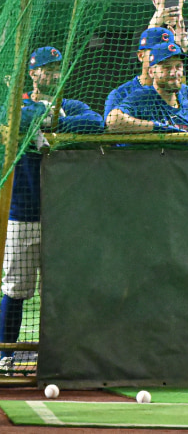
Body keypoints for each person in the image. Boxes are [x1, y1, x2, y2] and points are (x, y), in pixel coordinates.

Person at [0, 46, 104, 374]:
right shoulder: (16, 106)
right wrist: (45, 117)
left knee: (62, 288)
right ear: (33, 73)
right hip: (23, 209)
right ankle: (4, 354)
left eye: (57, 68)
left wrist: (52, 117)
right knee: (16, 286)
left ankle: (63, 356)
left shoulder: (70, 105)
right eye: (47, 68)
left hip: (64, 212)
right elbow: (15, 117)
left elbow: (96, 123)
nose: (53, 74)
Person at [106, 41, 188, 133]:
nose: (174, 73)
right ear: (151, 72)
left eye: (178, 66)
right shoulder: (141, 98)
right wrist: (157, 127)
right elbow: (113, 121)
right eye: (167, 67)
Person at [104, 27, 175, 116]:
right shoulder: (120, 95)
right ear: (141, 56)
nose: (163, 58)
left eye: (168, 54)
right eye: (156, 52)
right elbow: (112, 127)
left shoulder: (187, 94)